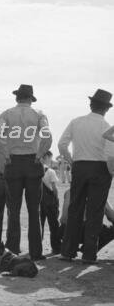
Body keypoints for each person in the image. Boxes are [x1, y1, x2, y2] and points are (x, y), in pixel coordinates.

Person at [0, 84, 51, 261]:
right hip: (33, 161)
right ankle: (35, 251)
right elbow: (48, 137)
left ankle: (12, 248)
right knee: (34, 209)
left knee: (14, 209)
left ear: (17, 97)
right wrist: (40, 155)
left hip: (14, 162)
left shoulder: (6, 114)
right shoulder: (39, 114)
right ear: (30, 98)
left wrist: (6, 155)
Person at [58, 89, 114, 264]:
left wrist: (73, 161)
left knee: (75, 208)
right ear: (106, 109)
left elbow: (62, 145)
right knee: (95, 212)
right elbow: (109, 154)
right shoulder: (106, 127)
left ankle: (67, 252)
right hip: (100, 169)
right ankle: (89, 255)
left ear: (91, 105)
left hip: (80, 166)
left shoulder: (76, 122)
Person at [59, 190, 114, 255]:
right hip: (90, 234)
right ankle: (88, 250)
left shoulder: (69, 192)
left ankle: (69, 248)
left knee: (64, 225)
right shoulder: (99, 191)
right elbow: (111, 215)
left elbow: (63, 219)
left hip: (68, 233)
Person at [39, 150, 61, 255]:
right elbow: (54, 188)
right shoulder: (51, 171)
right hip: (50, 203)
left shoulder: (35, 170)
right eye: (50, 158)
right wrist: (56, 199)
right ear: (46, 157)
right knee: (53, 225)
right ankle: (56, 248)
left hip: (38, 202)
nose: (50, 160)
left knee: (39, 225)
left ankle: (37, 247)